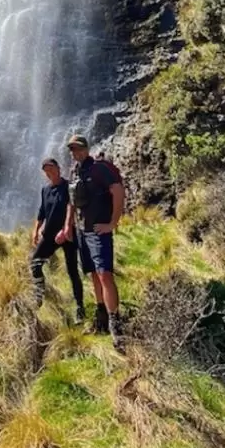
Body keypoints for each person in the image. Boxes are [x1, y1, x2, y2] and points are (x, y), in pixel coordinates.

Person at [62, 134, 125, 348]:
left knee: (104, 274)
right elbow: (71, 202)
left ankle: (116, 322)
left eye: (79, 148)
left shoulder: (100, 168)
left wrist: (113, 222)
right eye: (72, 149)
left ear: (87, 148)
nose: (75, 152)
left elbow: (118, 190)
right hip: (81, 230)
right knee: (92, 274)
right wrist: (67, 225)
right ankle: (101, 315)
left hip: (98, 230)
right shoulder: (74, 171)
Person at [30, 158, 85, 322]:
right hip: (49, 235)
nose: (49, 172)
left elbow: (72, 207)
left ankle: (80, 307)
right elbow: (42, 212)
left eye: (52, 168)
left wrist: (66, 229)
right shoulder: (45, 190)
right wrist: (35, 230)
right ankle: (39, 297)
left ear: (59, 169)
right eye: (46, 170)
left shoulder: (68, 187)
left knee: (72, 271)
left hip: (67, 234)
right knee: (35, 263)